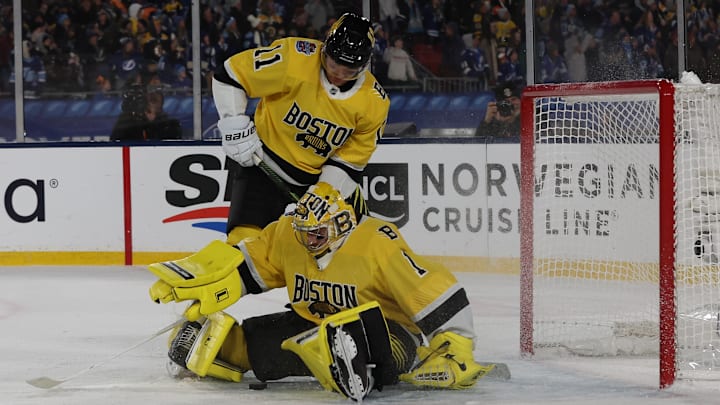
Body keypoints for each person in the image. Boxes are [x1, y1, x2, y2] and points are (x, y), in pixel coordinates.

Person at [146, 182, 491, 400]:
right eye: (303, 232)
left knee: (379, 352)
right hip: (311, 325)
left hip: (385, 329)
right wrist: (212, 284)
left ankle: (353, 364)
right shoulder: (290, 235)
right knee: (260, 345)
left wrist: (456, 345)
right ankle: (227, 349)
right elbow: (250, 268)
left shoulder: (375, 242)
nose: (306, 241)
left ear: (340, 226)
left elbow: (434, 288)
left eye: (315, 234)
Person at [211, 12, 390, 246]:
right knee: (243, 246)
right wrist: (234, 124)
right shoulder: (294, 58)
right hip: (261, 166)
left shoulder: (374, 102)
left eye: (349, 71)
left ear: (364, 66)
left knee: (351, 251)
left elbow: (349, 162)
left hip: (316, 181)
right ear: (325, 50)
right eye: (334, 64)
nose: (338, 75)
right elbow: (231, 76)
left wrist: (321, 195)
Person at [110, 84, 182, 140]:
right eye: (150, 99)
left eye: (154, 99)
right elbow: (116, 142)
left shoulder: (171, 125)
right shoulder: (128, 121)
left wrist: (152, 121)